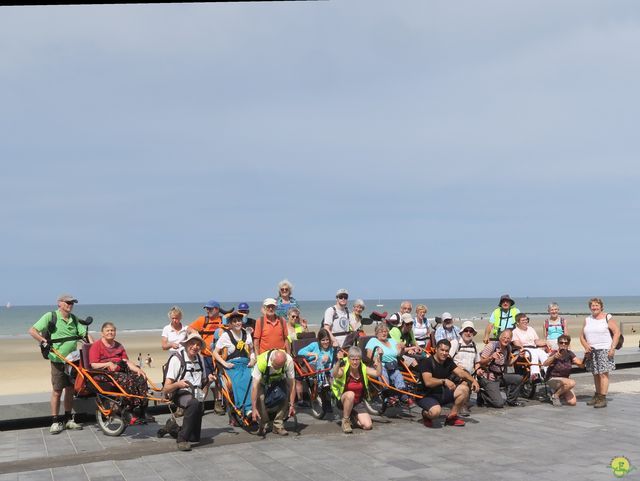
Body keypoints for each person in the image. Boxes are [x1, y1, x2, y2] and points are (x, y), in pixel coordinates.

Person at [28, 294, 93, 434]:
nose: (70, 305)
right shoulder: (50, 316)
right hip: (57, 360)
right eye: (67, 302)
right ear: (59, 303)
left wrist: (93, 346)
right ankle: (55, 421)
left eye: (72, 303)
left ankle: (69, 419)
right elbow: (32, 331)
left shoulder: (74, 319)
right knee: (57, 391)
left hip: (72, 361)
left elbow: (84, 334)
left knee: (70, 390)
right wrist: (44, 342)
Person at [89, 322, 151, 424]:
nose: (110, 332)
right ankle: (128, 410)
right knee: (127, 380)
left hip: (119, 370)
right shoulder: (96, 346)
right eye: (107, 331)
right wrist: (108, 363)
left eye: (112, 330)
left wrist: (137, 369)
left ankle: (143, 410)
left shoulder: (119, 346)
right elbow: (93, 365)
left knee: (141, 377)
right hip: (103, 373)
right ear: (102, 333)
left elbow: (126, 361)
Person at [163, 332, 215, 451]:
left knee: (194, 438)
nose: (195, 347)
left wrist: (208, 381)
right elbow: (166, 388)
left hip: (196, 394)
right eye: (192, 343)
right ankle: (181, 439)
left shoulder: (200, 359)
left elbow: (203, 385)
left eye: (198, 344)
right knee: (194, 403)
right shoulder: (177, 359)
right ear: (186, 344)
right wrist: (178, 384)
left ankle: (171, 428)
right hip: (179, 393)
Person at [417, 339, 480, 428]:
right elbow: (428, 382)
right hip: (427, 395)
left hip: (442, 393)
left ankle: (452, 417)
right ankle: (426, 414)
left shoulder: (448, 361)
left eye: (447, 351)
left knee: (464, 389)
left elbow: (461, 373)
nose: (444, 353)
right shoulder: (427, 362)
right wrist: (444, 381)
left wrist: (474, 381)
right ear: (436, 349)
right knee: (435, 413)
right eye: (442, 350)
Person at [212, 311, 256, 418]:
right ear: (230, 324)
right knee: (238, 380)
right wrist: (224, 364)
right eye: (234, 321)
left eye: (239, 321)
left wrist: (253, 359)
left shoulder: (246, 334)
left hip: (246, 363)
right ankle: (245, 408)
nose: (237, 323)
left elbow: (251, 350)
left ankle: (254, 407)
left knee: (252, 378)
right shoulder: (226, 335)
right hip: (233, 364)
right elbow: (215, 353)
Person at [580, 297, 620, 409]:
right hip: (592, 350)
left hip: (604, 349)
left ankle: (602, 398)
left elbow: (617, 333)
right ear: (590, 307)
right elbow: (581, 336)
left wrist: (612, 348)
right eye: (592, 305)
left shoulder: (608, 317)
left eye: (597, 305)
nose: (595, 307)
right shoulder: (587, 319)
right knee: (595, 373)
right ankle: (597, 395)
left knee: (603, 374)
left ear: (601, 307)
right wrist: (586, 346)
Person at [331, 346, 382, 433]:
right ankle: (346, 420)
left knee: (368, 426)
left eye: (357, 359)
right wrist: (338, 362)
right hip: (342, 399)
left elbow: (378, 373)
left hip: (357, 402)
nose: (355, 362)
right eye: (352, 359)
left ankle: (353, 417)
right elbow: (335, 374)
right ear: (348, 358)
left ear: (360, 359)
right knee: (351, 394)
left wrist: (379, 360)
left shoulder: (363, 368)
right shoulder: (345, 368)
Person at [188, 300, 224, 414]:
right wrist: (196, 334)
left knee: (218, 380)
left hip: (219, 357)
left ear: (217, 309)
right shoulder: (203, 320)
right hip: (205, 356)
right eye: (207, 309)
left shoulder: (223, 320)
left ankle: (218, 404)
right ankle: (200, 404)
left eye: (210, 309)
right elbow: (189, 328)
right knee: (204, 382)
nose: (208, 311)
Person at [251, 349, 296, 436]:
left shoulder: (289, 361)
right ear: (271, 360)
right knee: (260, 398)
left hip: (278, 379)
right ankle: (263, 424)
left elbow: (292, 384)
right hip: (263, 381)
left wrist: (292, 405)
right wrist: (254, 409)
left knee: (286, 393)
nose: (278, 368)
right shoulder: (261, 362)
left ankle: (278, 425)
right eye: (276, 366)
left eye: (280, 366)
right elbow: (254, 387)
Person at [477, 329, 523, 408]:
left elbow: (508, 363)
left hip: (500, 376)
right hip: (488, 377)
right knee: (499, 404)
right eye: (504, 337)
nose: (506, 340)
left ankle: (511, 401)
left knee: (518, 378)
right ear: (499, 337)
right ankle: (482, 395)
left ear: (511, 340)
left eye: (508, 338)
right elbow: (480, 362)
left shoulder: (508, 348)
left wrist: (518, 356)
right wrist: (491, 357)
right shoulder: (491, 346)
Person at [365, 323, 408, 405]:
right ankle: (387, 395)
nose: (384, 333)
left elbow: (398, 354)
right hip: (380, 364)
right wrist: (376, 361)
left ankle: (402, 393)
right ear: (377, 333)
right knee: (383, 374)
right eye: (381, 331)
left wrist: (402, 349)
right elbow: (368, 354)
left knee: (398, 376)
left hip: (392, 365)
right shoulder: (373, 341)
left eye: (385, 331)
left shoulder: (391, 341)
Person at [297, 328, 335, 413]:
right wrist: (313, 354)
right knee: (321, 372)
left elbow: (332, 360)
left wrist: (328, 358)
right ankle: (323, 389)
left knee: (332, 370)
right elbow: (300, 351)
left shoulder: (331, 349)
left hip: (326, 367)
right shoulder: (314, 345)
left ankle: (333, 394)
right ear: (319, 340)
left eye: (327, 340)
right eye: (323, 340)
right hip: (312, 365)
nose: (325, 342)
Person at [542, 334, 584, 407]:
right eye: (561, 342)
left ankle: (557, 392)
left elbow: (581, 365)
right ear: (558, 343)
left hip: (565, 380)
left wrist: (586, 358)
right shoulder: (555, 353)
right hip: (553, 379)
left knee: (572, 402)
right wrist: (554, 357)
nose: (563, 344)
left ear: (568, 344)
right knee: (572, 383)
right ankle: (555, 395)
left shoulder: (570, 354)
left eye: (566, 343)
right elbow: (545, 364)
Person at [450, 320, 481, 416]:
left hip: (469, 374)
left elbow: (477, 362)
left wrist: (478, 369)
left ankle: (464, 401)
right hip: (455, 373)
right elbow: (448, 360)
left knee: (469, 377)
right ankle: (463, 405)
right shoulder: (455, 343)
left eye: (471, 331)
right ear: (462, 332)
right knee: (465, 378)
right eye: (466, 330)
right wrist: (458, 368)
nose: (468, 333)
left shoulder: (474, 345)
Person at [511, 313, 549, 380]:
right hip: (523, 349)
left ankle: (548, 372)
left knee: (543, 354)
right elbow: (517, 344)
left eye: (526, 320)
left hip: (534, 348)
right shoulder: (515, 331)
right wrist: (523, 349)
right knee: (533, 353)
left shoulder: (530, 329)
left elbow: (536, 341)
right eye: (523, 320)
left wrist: (546, 342)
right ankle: (535, 374)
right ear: (517, 322)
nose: (525, 321)